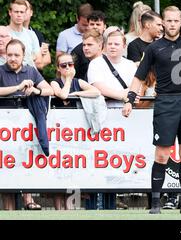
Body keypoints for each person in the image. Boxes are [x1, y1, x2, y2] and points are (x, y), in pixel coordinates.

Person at [122, 0, 181, 214]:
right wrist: (130, 99)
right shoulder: (153, 48)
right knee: (161, 154)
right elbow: (139, 77)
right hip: (166, 103)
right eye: (167, 21)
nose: (171, 24)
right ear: (163, 23)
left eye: (175, 20)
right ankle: (156, 203)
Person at [0, 39, 53, 210]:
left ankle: (28, 201)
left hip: (25, 128)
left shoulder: (31, 70)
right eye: (10, 55)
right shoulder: (1, 71)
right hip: (5, 128)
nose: (13, 58)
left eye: (16, 55)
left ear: (24, 56)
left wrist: (36, 91)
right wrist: (18, 86)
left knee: (25, 160)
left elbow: (50, 90)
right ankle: (9, 209)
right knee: (7, 166)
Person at [50, 53, 100, 209]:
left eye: (70, 65)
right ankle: (59, 211)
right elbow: (63, 94)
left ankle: (73, 211)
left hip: (77, 136)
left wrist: (77, 93)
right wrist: (69, 80)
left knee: (74, 172)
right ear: (58, 68)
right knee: (59, 173)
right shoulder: (55, 82)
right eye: (63, 65)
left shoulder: (79, 82)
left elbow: (96, 92)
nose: (67, 68)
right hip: (59, 134)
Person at [87, 28, 137, 108]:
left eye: (116, 44)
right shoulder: (95, 63)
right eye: (110, 44)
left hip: (127, 111)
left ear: (124, 46)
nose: (112, 47)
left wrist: (129, 93)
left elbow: (135, 87)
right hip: (103, 110)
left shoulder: (130, 65)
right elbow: (100, 88)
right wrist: (123, 96)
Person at [6, 0, 42, 69]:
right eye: (16, 12)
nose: (19, 15)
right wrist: (31, 58)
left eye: (22, 12)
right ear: (10, 12)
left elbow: (39, 61)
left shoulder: (31, 34)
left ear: (25, 13)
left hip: (31, 76)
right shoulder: (3, 33)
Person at [72, 11, 107, 80]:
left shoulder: (111, 46)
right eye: (92, 24)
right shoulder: (78, 50)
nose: (95, 27)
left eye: (98, 24)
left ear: (104, 27)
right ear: (88, 26)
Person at [19, 0, 51, 70]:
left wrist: (33, 60)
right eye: (19, 10)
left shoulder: (36, 34)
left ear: (31, 12)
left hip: (36, 78)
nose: (22, 12)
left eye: (25, 9)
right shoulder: (7, 32)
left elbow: (47, 59)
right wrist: (37, 53)